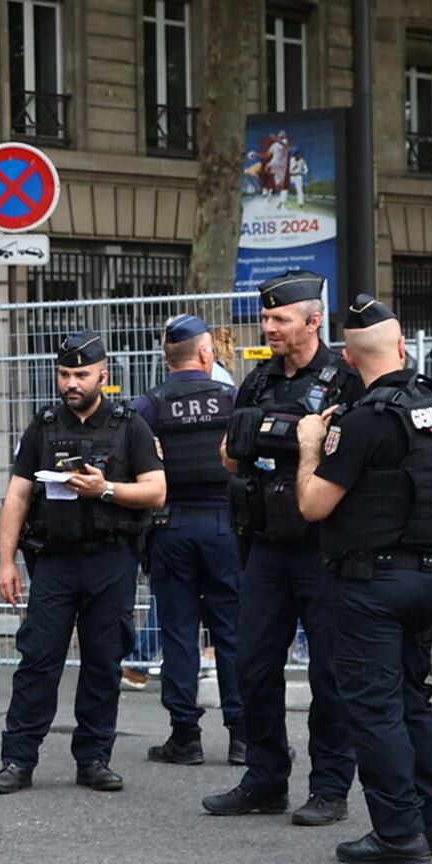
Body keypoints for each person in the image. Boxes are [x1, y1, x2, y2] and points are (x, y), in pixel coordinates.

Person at [293, 298, 432, 864]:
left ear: (348, 359)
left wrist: (307, 449)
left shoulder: (366, 421)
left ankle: (398, 833)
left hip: (371, 582)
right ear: (404, 347)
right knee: (412, 697)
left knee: (374, 707)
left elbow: (313, 504)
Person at [206, 275, 357, 824]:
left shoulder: (344, 380)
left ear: (313, 321)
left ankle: (330, 787)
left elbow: (351, 461)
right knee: (253, 663)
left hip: (321, 546)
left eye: (280, 320)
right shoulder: (259, 379)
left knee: (330, 674)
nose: (268, 328)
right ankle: (266, 778)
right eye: (266, 319)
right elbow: (228, 455)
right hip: (265, 544)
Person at [0, 330, 167, 794]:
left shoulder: (130, 426)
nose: (71, 382)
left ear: (103, 376)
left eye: (81, 374)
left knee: (103, 662)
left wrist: (105, 489)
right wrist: (6, 561)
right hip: (54, 560)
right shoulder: (44, 425)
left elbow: (156, 489)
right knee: (37, 660)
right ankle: (18, 760)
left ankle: (93, 758)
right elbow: (17, 495)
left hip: (111, 561)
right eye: (65, 373)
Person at [134, 314, 246, 766]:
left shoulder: (149, 405)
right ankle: (243, 736)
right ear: (207, 353)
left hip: (170, 527)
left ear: (167, 356)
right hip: (225, 526)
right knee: (233, 632)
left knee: (178, 632)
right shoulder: (234, 399)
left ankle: (185, 735)